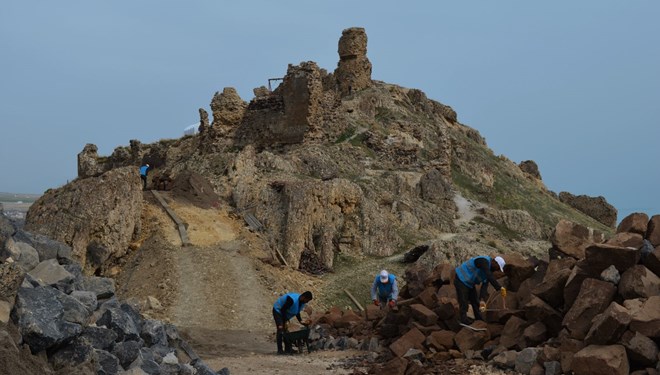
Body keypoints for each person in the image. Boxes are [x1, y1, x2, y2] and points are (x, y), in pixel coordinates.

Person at [454, 256, 507, 325]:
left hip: (469, 283)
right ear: (494, 262)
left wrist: (482, 300)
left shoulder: (489, 270)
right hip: (461, 278)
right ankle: (463, 321)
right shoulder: (483, 261)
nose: (497, 270)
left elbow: (484, 286)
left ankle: (479, 320)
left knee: (475, 302)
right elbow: (489, 275)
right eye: (497, 267)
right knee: (463, 301)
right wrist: (499, 287)